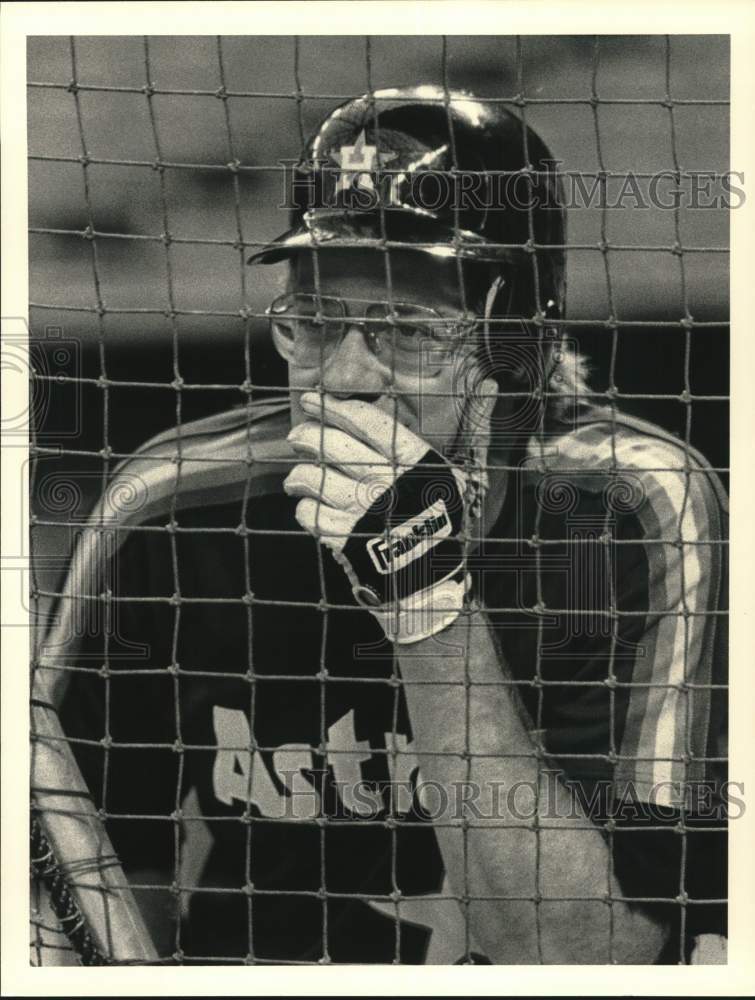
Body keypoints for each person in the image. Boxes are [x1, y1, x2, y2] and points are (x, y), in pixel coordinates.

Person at [57, 86, 727, 964]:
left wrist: (422, 598)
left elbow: (587, 955)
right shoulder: (174, 502)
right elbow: (77, 856)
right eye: (315, 322)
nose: (345, 379)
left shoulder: (628, 508)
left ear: (513, 336)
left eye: (407, 330)